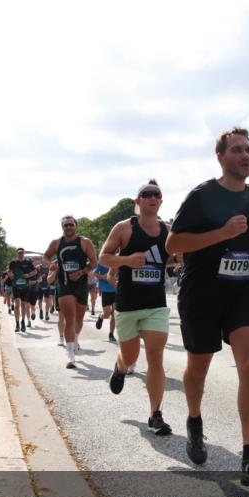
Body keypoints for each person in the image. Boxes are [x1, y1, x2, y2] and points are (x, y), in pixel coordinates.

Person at [166, 127, 249, 488]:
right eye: (237, 150)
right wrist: (221, 234)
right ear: (221, 157)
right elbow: (173, 244)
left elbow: (248, 237)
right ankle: (195, 421)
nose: (245, 155)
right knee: (197, 369)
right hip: (201, 294)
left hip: (241, 291)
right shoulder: (202, 196)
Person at [100, 179, 173, 435]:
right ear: (138, 200)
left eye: (157, 194)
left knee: (155, 356)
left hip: (155, 305)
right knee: (131, 357)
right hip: (128, 305)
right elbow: (104, 257)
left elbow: (173, 259)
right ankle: (120, 368)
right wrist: (127, 260)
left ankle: (155, 414)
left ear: (161, 201)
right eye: (147, 193)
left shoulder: (168, 231)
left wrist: (179, 258)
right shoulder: (124, 228)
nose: (152, 197)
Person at [43, 217, 98, 368]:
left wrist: (82, 272)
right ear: (62, 227)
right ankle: (70, 355)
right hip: (64, 284)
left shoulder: (84, 242)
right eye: (65, 225)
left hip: (81, 284)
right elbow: (46, 256)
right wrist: (51, 265)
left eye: (71, 224)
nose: (68, 227)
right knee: (70, 318)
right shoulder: (56, 243)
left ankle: (76, 339)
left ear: (76, 226)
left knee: (79, 320)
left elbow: (94, 262)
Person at [7, 249, 37, 333]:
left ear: (24, 254)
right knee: (17, 304)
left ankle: (23, 322)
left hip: (25, 286)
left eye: (22, 253)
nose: (20, 254)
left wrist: (28, 275)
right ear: (17, 254)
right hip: (15, 286)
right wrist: (11, 275)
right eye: (19, 253)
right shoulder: (13, 263)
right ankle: (17, 324)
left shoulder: (28, 263)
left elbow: (35, 271)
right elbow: (8, 271)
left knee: (23, 305)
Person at [94, 262, 117, 342]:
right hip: (105, 289)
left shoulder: (119, 259)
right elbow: (95, 273)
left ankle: (111, 334)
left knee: (115, 313)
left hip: (117, 290)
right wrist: (102, 277)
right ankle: (101, 316)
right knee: (107, 314)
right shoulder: (102, 261)